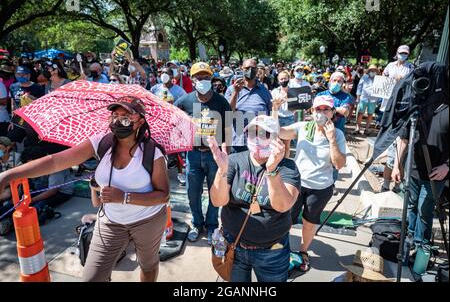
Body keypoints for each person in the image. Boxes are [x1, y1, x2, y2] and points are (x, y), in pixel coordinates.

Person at [0, 96, 170, 282]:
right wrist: (9, 175)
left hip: (148, 220)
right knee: (92, 278)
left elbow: (163, 195)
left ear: (140, 122)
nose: (118, 119)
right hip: (111, 222)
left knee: (148, 265)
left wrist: (125, 197)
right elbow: (55, 161)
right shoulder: (100, 143)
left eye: (126, 115)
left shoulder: (152, 152)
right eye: (115, 114)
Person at [208, 115, 301, 282]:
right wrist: (222, 171)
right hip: (234, 246)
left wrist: (272, 170)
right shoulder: (234, 161)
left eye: (265, 134)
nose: (257, 138)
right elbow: (217, 201)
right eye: (252, 132)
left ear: (276, 138)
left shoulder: (288, 167)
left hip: (272, 251)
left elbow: (282, 206)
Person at [279, 95, 346, 272]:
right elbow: (279, 131)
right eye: (318, 109)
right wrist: (274, 109)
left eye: (326, 110)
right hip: (297, 183)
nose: (321, 113)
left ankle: (303, 251)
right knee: (286, 218)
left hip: (320, 187)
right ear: (312, 111)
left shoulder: (337, 134)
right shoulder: (304, 126)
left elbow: (338, 164)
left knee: (310, 222)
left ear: (332, 113)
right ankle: (281, 249)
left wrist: (331, 139)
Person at [174, 62, 232, 244]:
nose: (203, 80)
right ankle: (197, 224)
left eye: (206, 77)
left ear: (211, 79)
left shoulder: (221, 101)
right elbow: (173, 119)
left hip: (214, 156)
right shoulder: (185, 101)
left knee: (215, 191)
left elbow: (229, 127)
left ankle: (212, 225)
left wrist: (226, 152)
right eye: (199, 77)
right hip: (192, 154)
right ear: (193, 80)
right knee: (193, 192)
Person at [392, 103, 448, 247]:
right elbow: (403, 138)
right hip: (413, 169)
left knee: (425, 209)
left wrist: (447, 166)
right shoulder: (417, 108)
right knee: (411, 204)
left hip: (436, 173)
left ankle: (420, 244)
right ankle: (410, 238)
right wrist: (397, 165)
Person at [381, 45, 415, 192]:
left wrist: (403, 79)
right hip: (388, 105)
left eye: (405, 54)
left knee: (400, 150)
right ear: (397, 53)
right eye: (401, 53)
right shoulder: (390, 65)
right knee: (389, 147)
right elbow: (382, 79)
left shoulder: (411, 67)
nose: (403, 55)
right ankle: (385, 184)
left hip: (402, 108)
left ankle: (396, 185)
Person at [224, 59, 272, 153]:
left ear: (257, 70)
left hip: (259, 141)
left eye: (253, 68)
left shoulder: (264, 90)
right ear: (242, 69)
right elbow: (228, 114)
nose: (250, 71)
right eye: (247, 68)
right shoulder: (231, 89)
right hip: (238, 142)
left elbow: (270, 114)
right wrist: (235, 93)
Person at [354, 64, 379, 135]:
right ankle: (357, 127)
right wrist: (358, 97)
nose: (373, 71)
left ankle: (367, 129)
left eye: (374, 70)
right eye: (371, 70)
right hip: (363, 98)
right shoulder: (364, 77)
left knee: (370, 114)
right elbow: (359, 87)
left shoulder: (378, 79)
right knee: (360, 113)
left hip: (373, 100)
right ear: (369, 71)